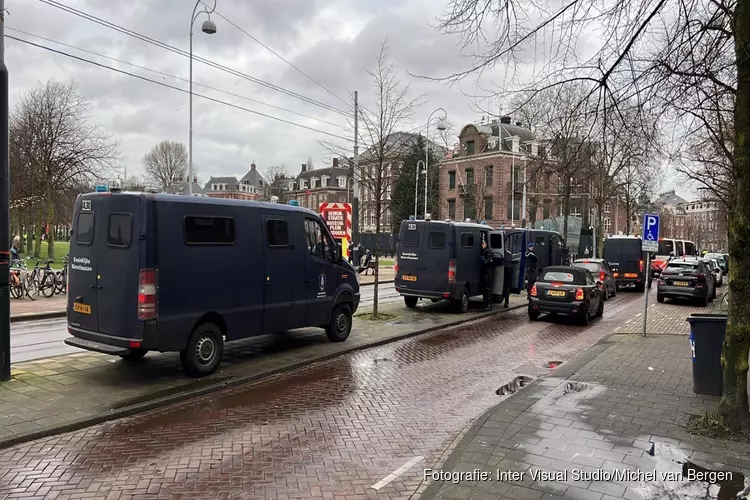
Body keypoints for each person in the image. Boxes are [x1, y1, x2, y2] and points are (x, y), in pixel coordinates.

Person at [480, 239, 493, 310]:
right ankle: (485, 303)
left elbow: (490, 260)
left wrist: (484, 261)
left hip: (487, 272)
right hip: (484, 272)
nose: (482, 245)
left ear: (486, 244)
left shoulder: (488, 251)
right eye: (481, 244)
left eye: (483, 244)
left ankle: (489, 304)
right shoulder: (483, 251)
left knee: (488, 289)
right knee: (484, 289)